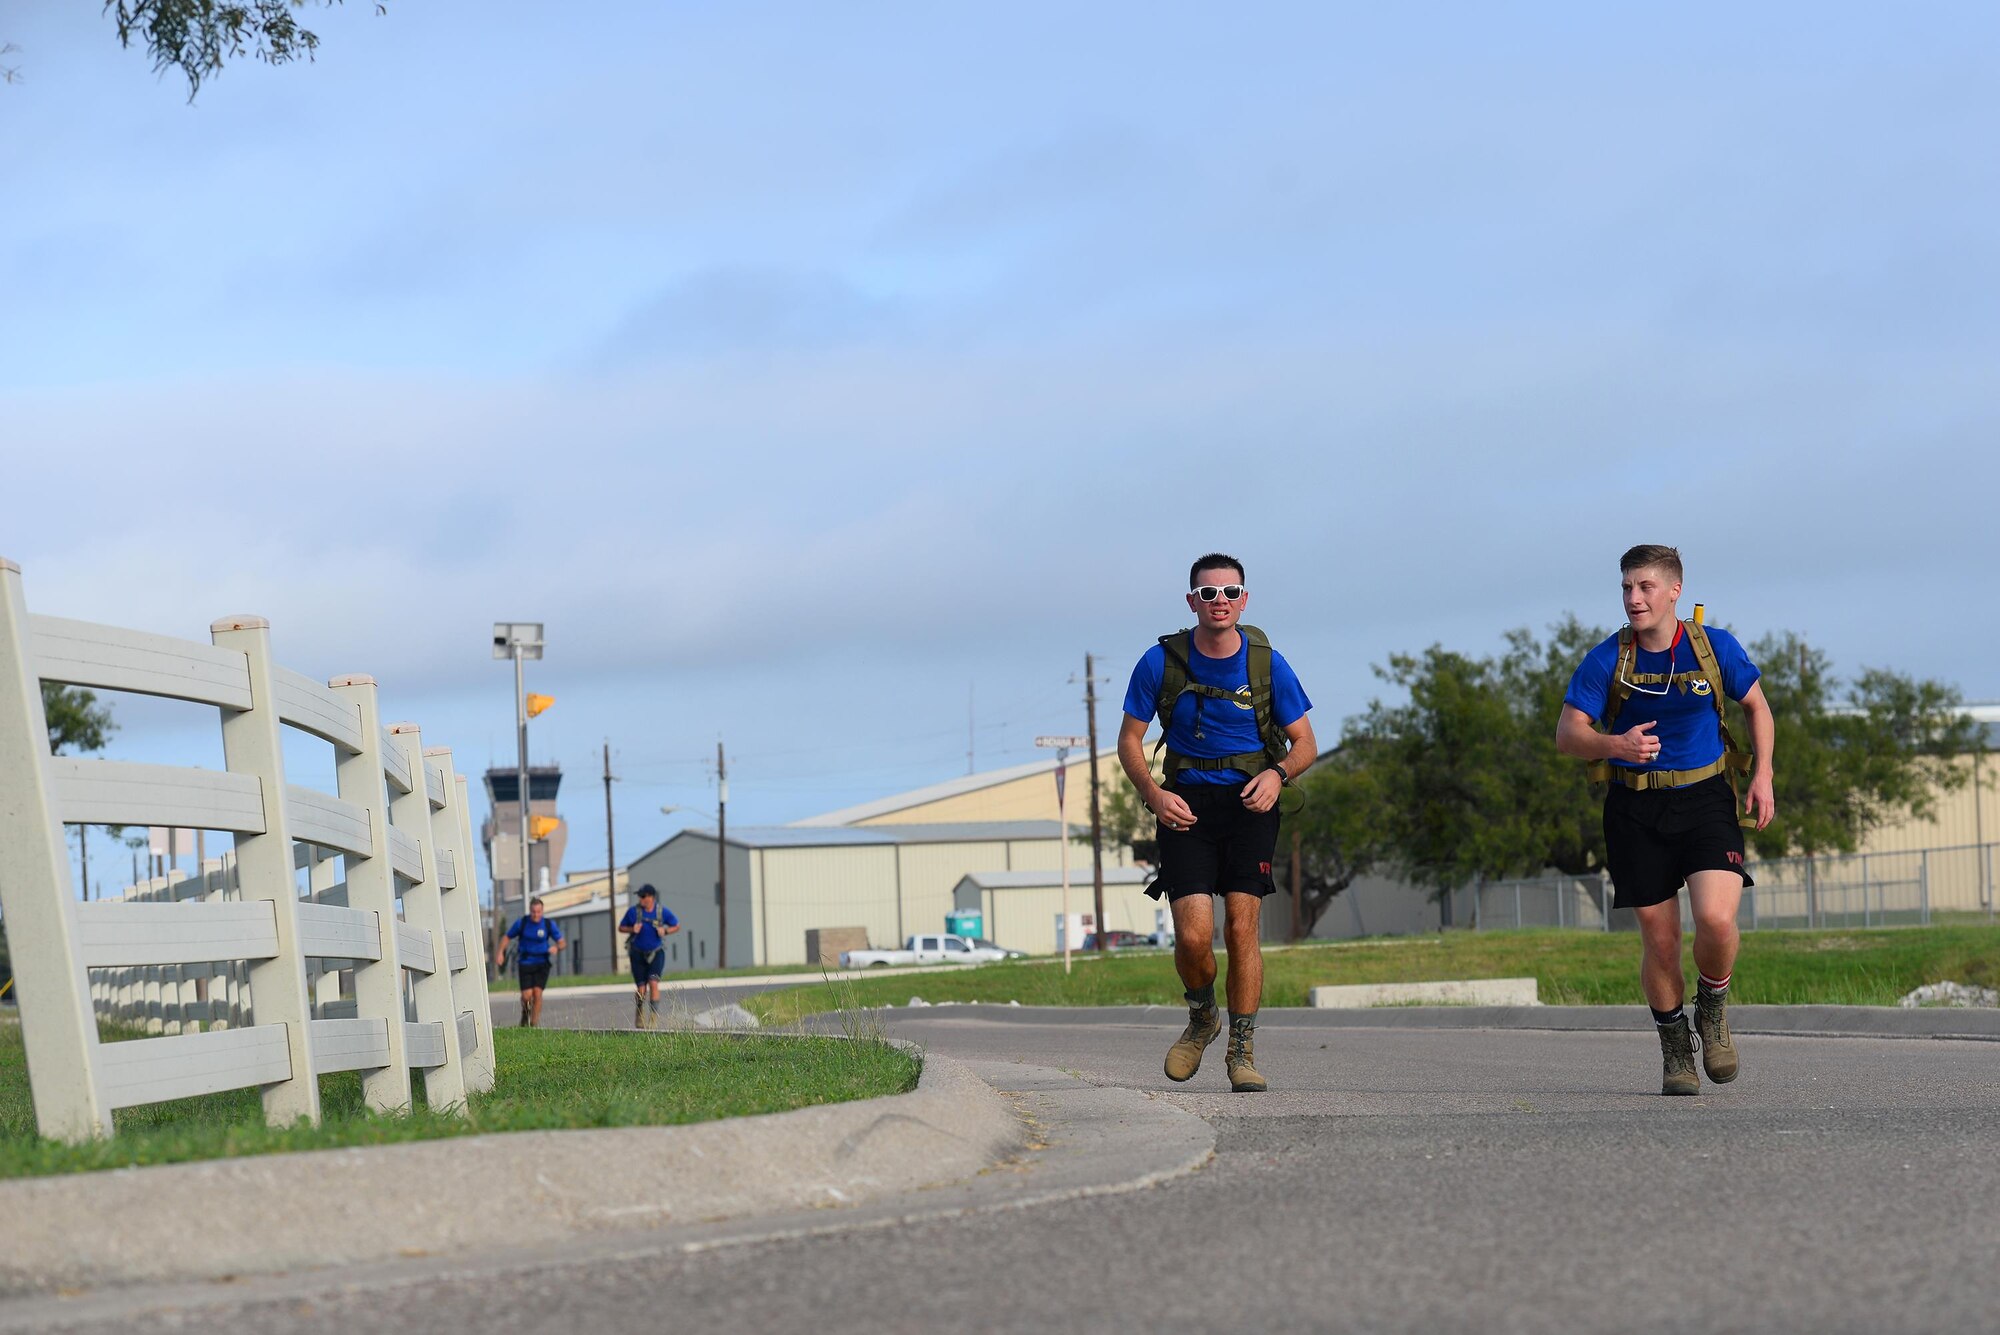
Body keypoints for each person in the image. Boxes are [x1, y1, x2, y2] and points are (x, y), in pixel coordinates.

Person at [1556, 544, 1775, 1095]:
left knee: (1718, 921)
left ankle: (1714, 1003)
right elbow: (1567, 735)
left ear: (1674, 590)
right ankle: (1675, 1042)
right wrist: (1615, 744)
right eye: (1627, 588)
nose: (1634, 598)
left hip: (1705, 799)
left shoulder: (1713, 647)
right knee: (1660, 940)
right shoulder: (1608, 659)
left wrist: (1763, 774)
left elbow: (1758, 707)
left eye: (1645, 587)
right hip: (1635, 809)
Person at [1117, 553, 1317, 1092]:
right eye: (1208, 594)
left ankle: (1241, 1049)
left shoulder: (1267, 664)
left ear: (1244, 599)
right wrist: (1154, 794)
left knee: (1241, 927)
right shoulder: (1160, 662)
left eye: (1230, 592)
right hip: (1185, 806)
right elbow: (1129, 740)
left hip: (1251, 804)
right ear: (1192, 602)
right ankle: (1203, 1016)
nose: (1219, 601)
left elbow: (1306, 744)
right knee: (1193, 936)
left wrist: (1277, 775)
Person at [619, 884, 681, 1030]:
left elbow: (676, 925)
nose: (640, 899)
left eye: (643, 896)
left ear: (651, 897)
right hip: (637, 953)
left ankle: (653, 1019)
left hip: (656, 953)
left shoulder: (661, 912)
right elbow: (621, 927)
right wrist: (631, 929)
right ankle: (640, 1011)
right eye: (639, 896)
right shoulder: (633, 912)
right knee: (641, 989)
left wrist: (665, 931)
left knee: (653, 983)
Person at [499, 897, 565, 1027]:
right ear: (530, 911)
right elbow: (507, 937)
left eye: (538, 912)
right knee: (526, 996)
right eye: (534, 912)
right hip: (525, 962)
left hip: (542, 962)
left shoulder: (548, 924)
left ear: (542, 911)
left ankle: (533, 1025)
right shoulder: (522, 923)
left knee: (537, 993)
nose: (536, 915)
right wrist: (500, 952)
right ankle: (525, 1014)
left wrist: (556, 947)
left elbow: (562, 942)